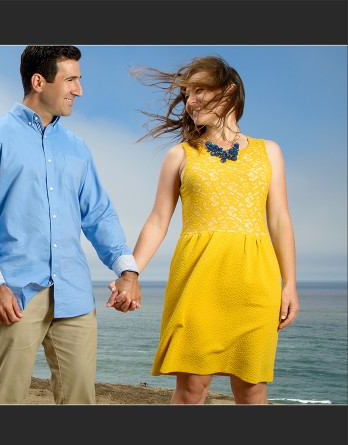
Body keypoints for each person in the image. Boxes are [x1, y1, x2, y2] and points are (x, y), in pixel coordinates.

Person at [0, 46, 142, 405]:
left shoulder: (77, 148)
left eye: (79, 80)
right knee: (6, 400)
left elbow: (98, 214)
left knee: (79, 400)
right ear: (39, 81)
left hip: (74, 294)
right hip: (14, 294)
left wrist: (127, 270)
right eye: (71, 80)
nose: (79, 90)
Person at [125, 55, 299, 404]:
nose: (190, 101)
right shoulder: (180, 155)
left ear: (229, 91)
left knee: (252, 389)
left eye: (200, 91)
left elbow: (279, 220)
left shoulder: (270, 152)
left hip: (255, 282)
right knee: (192, 389)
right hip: (197, 280)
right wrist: (131, 272)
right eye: (187, 93)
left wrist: (290, 283)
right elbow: (158, 220)